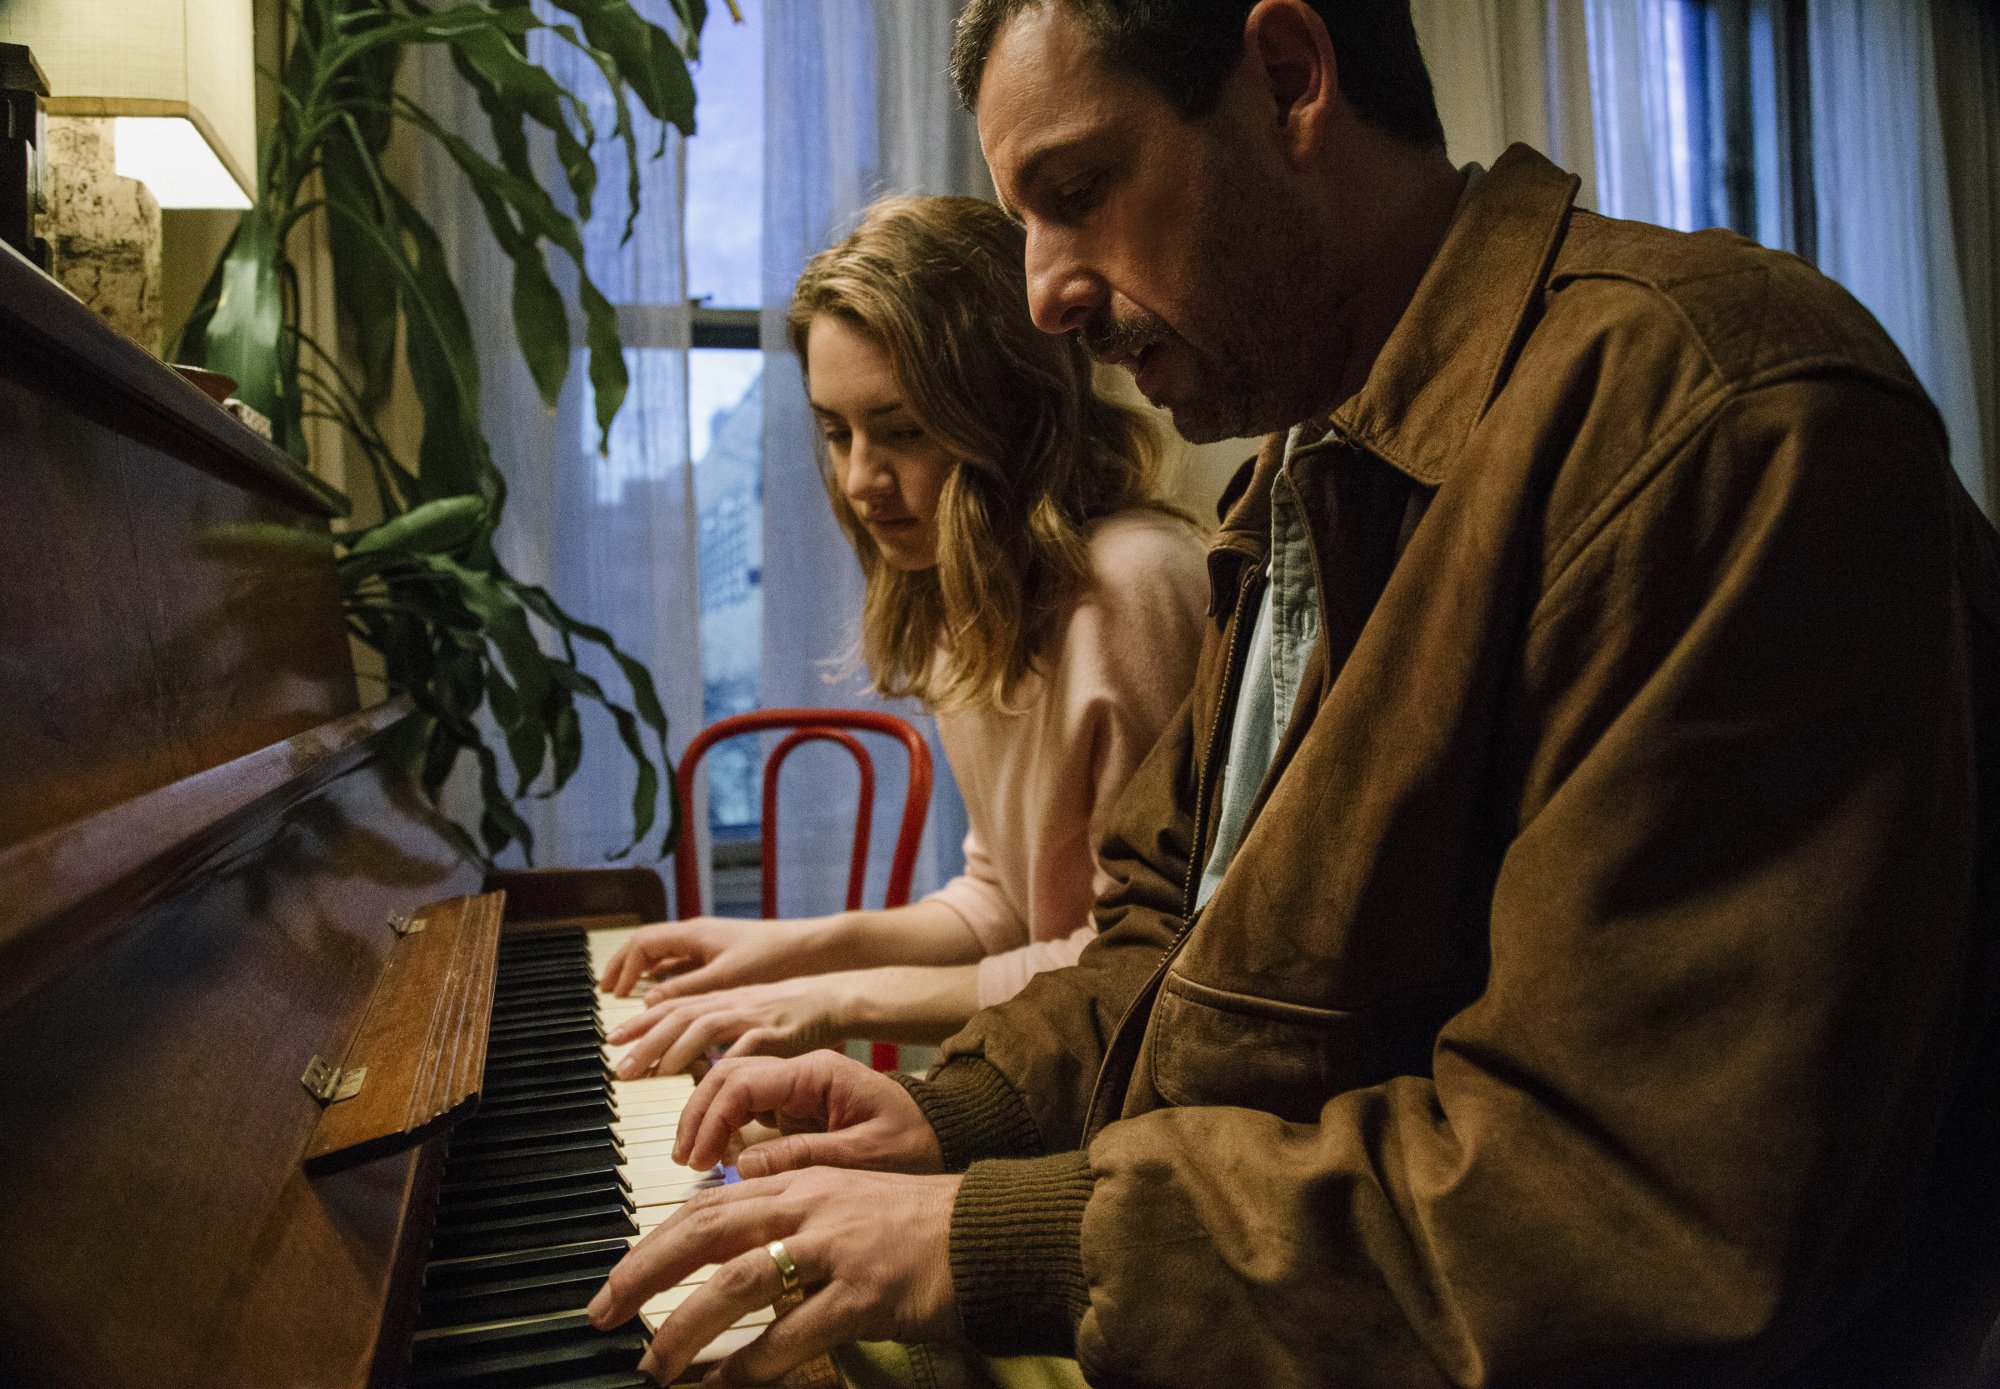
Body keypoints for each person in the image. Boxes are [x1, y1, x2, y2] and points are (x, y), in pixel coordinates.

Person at [587, 3, 2000, 1387]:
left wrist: (1000, 1239)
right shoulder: (1309, 471)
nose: (1045, 296)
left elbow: (1622, 1205)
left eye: (1078, 192)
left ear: (1287, 74)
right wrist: (950, 1112)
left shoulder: (1717, 421)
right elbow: (1158, 932)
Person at [598, 194, 1209, 1082]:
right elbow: (1000, 903)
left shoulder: (1130, 587)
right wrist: (780, 949)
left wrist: (833, 998)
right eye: (836, 431)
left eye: (901, 430)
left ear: (1004, 411)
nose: (857, 479)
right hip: (1074, 1067)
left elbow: (1138, 964)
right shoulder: (972, 598)